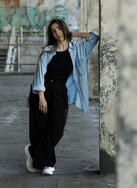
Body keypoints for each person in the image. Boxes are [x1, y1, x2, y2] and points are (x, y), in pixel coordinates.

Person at [25, 19, 99, 175]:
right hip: (42, 91)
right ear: (51, 34)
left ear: (64, 29)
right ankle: (48, 164)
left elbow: (94, 38)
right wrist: (41, 96)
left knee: (57, 129)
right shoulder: (48, 51)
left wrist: (74, 34)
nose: (57, 33)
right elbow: (40, 74)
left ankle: (33, 152)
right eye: (53, 31)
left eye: (59, 29)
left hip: (60, 92)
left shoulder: (77, 48)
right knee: (42, 128)